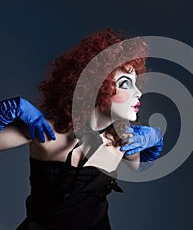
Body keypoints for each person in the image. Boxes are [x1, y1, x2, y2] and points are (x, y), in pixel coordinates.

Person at [0, 28, 163, 230]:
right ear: (97, 87)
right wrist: (5, 111)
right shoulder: (47, 133)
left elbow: (141, 166)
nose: (138, 92)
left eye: (136, 84)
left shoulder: (120, 141)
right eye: (125, 84)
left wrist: (155, 140)